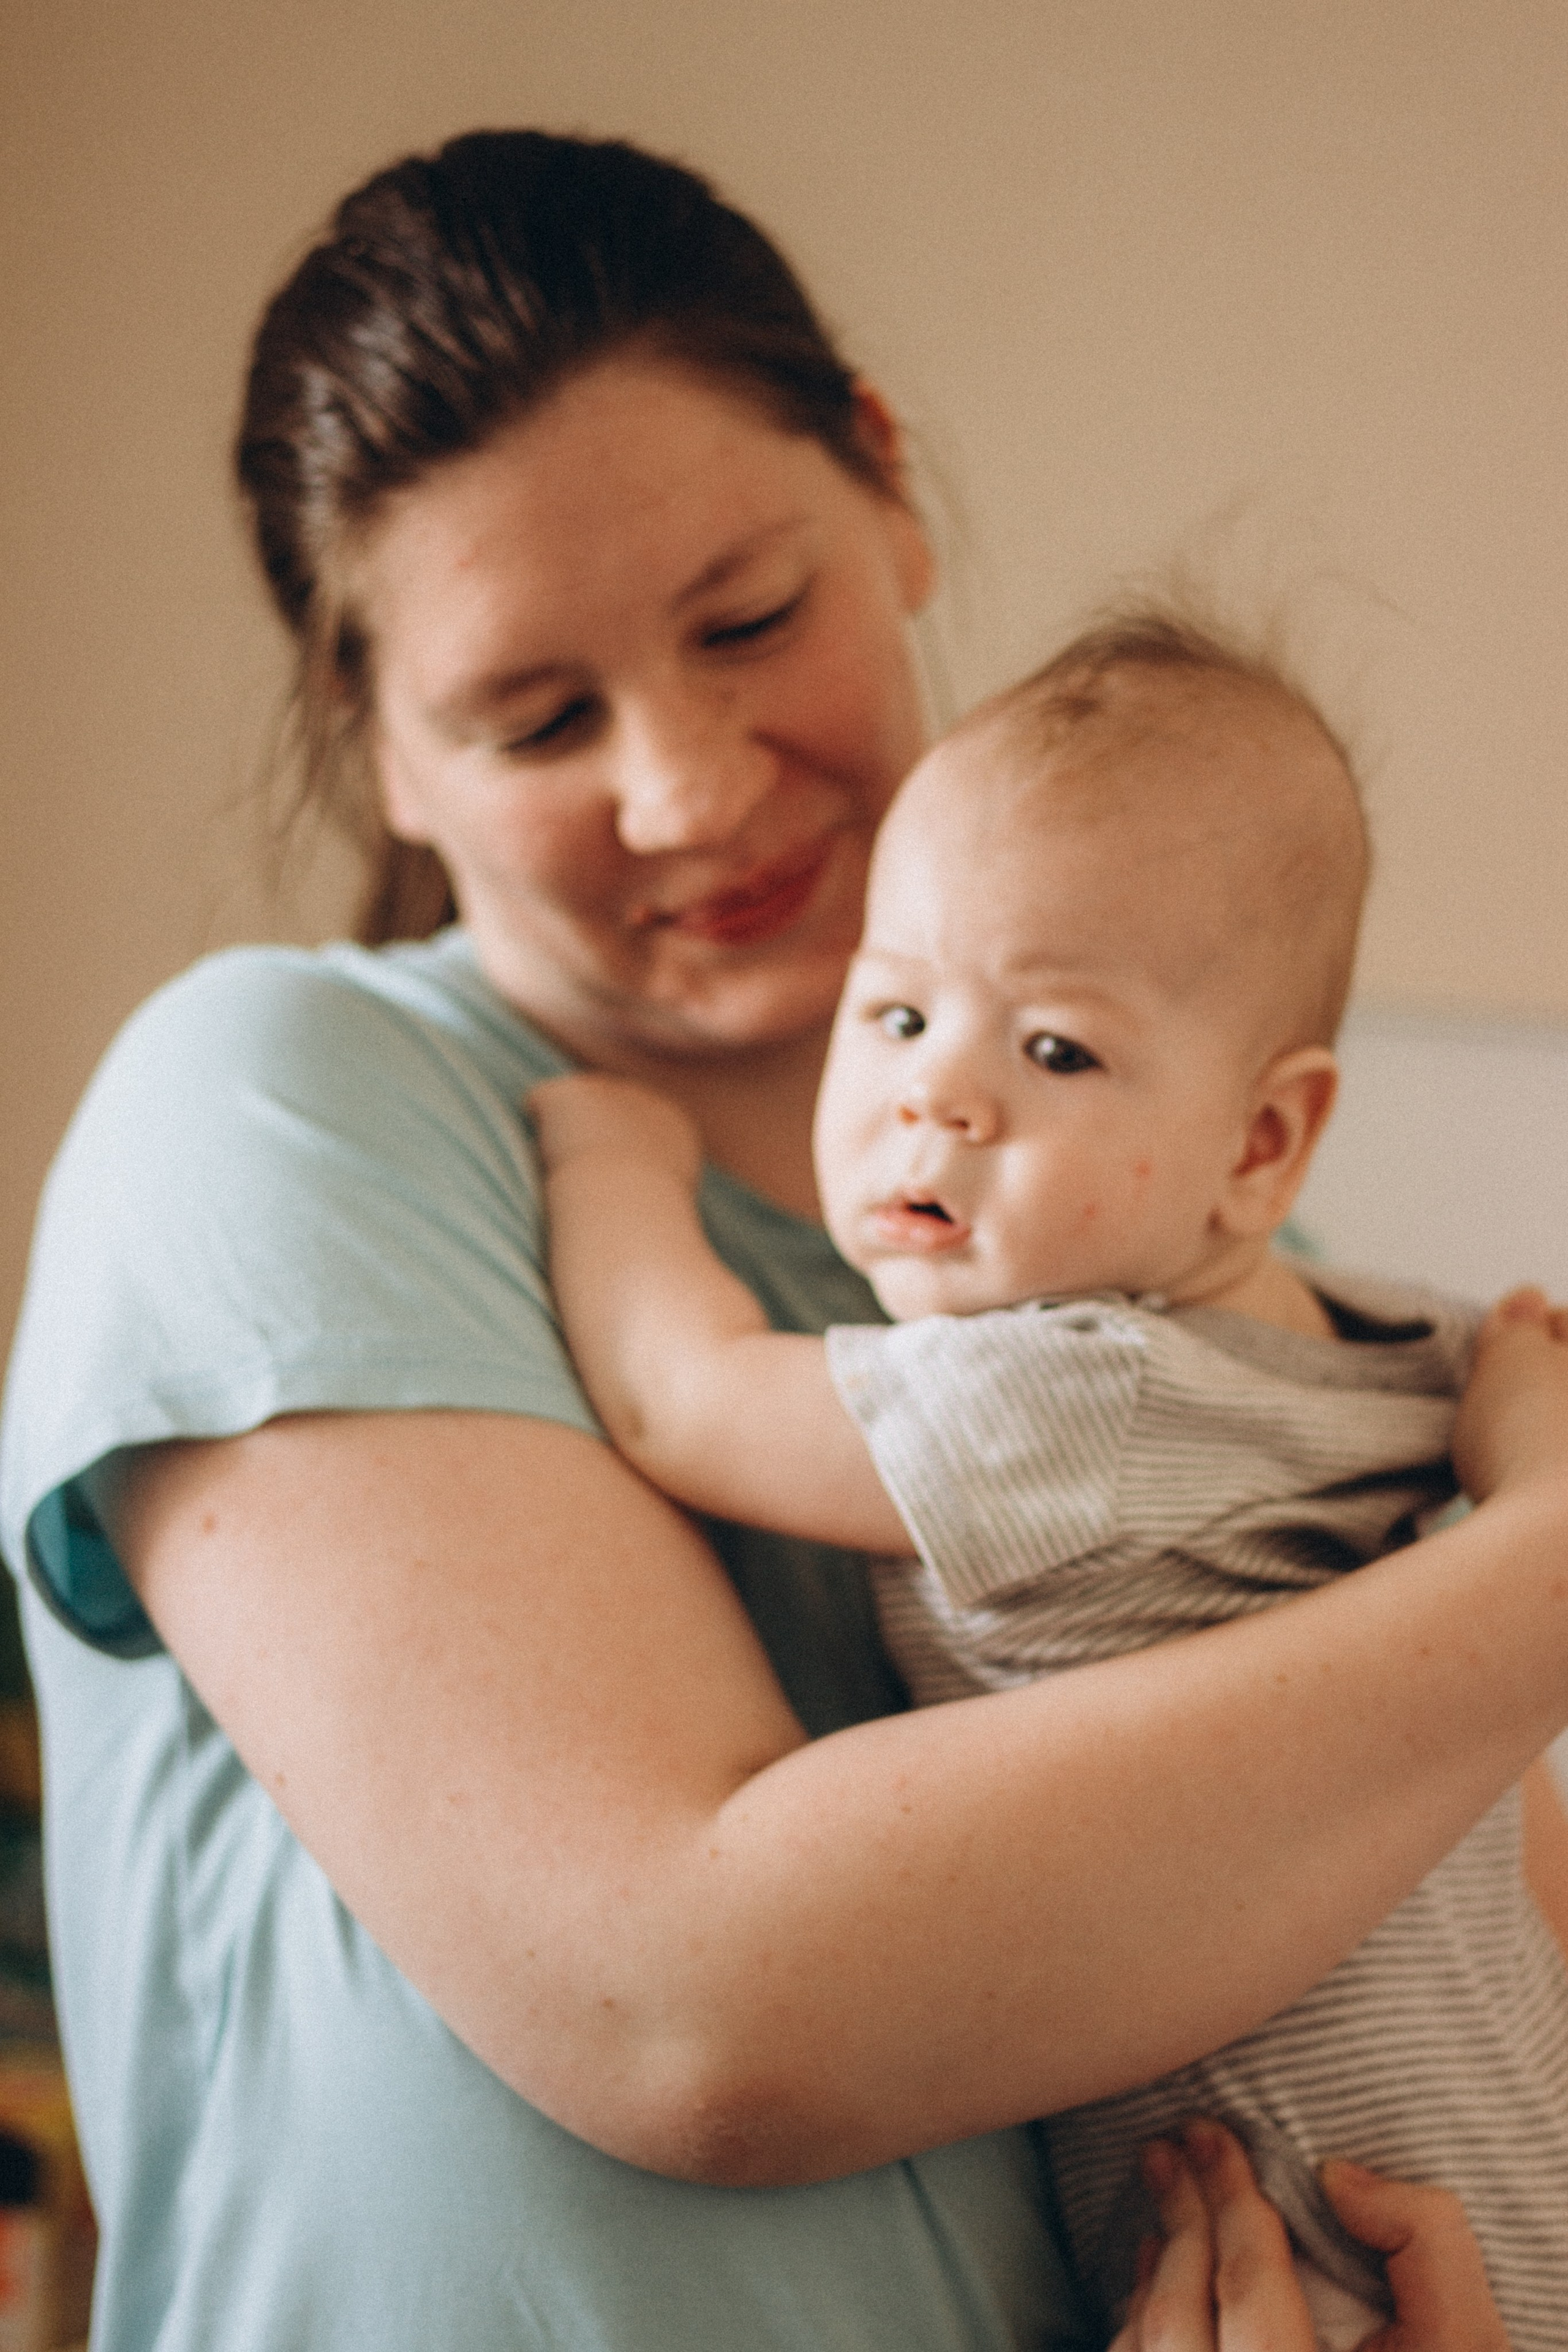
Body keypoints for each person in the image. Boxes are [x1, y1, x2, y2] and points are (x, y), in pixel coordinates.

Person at [0, 127, 1559, 2351]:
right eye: (537, 719)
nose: (693, 788)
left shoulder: (1125, 1258)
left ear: (890, 492)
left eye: (752, 621)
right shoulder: (284, 1106)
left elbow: (1481, 1918)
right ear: (385, 762)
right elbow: (685, 2010)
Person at [527, 619, 1568, 2348]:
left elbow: (676, 1394)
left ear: (1260, 1146)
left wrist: (613, 1147)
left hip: (1320, 2250)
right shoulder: (1399, 1350)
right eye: (901, 1007)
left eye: (1057, 1053)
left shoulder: (1067, 1400)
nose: (938, 1092)